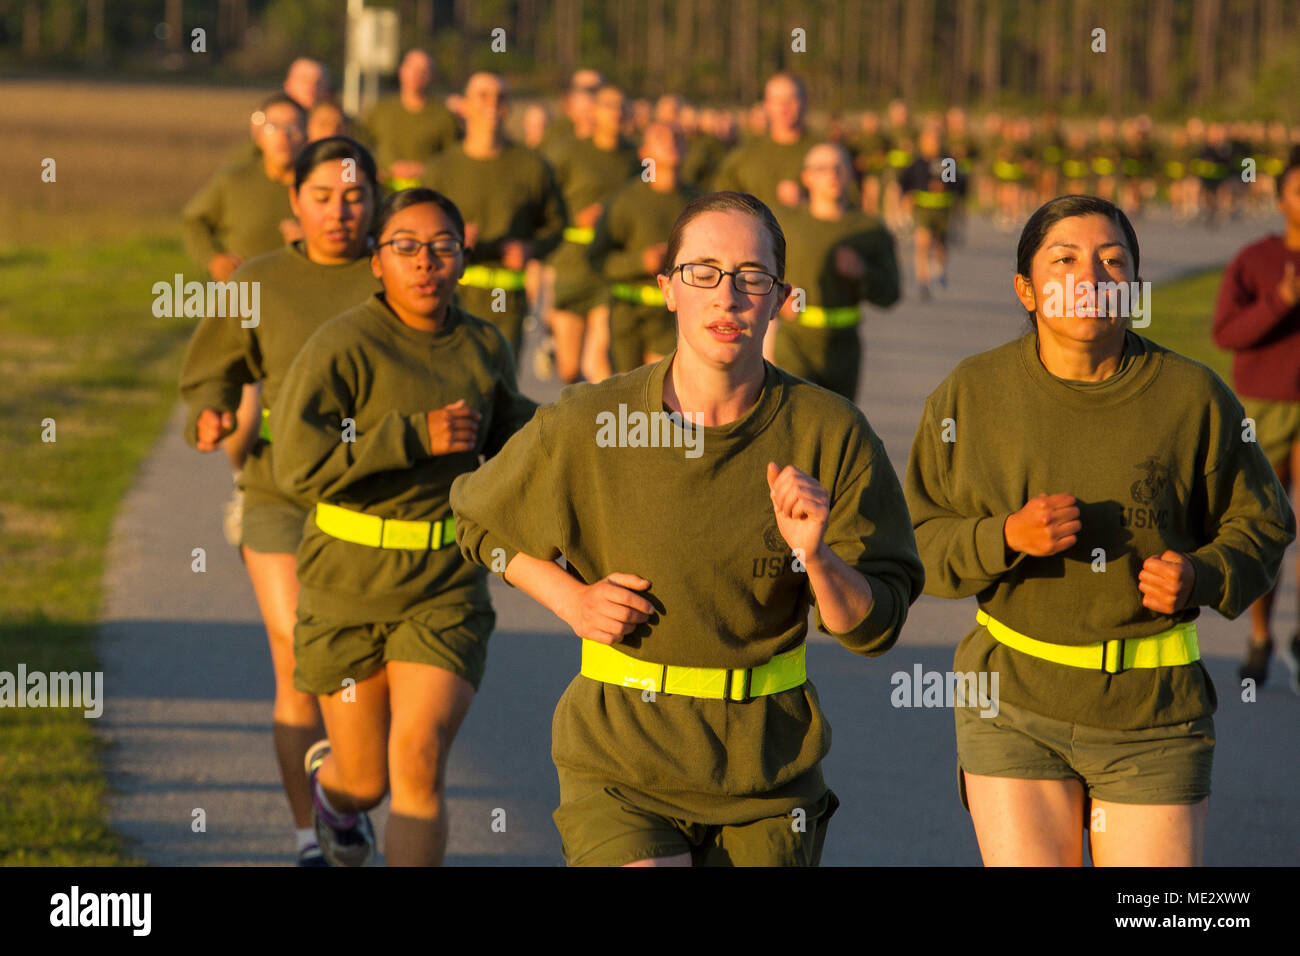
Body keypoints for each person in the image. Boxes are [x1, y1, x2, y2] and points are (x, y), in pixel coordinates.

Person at [450, 191, 925, 867]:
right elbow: (475, 517)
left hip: (768, 770)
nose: (726, 296)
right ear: (667, 289)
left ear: (779, 297)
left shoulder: (831, 431)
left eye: (750, 277)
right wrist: (570, 599)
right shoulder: (592, 420)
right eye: (702, 272)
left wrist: (817, 557)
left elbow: (876, 628)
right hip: (621, 759)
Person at [905, 194, 1295, 866]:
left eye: (1113, 262)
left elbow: (1262, 521)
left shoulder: (1191, 395)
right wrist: (1002, 538)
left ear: (1134, 288)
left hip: (1154, 715)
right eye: (1064, 260)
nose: (1090, 278)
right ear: (1026, 289)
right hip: (1012, 700)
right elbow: (912, 537)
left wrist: (1202, 574)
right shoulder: (971, 393)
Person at [269, 188, 537, 867]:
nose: (426, 263)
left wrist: (595, 432)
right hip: (347, 584)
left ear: (463, 260)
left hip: (444, 588)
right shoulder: (343, 345)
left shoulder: (483, 346)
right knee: (367, 780)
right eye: (406, 247)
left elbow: (514, 441)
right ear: (376, 262)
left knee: (417, 761)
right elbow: (297, 467)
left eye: (443, 247)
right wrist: (414, 436)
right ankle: (334, 796)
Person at [179, 137, 382, 865]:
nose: (339, 212)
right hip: (278, 490)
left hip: (372, 498)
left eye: (354, 196)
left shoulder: (393, 276)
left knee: (355, 671)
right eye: (322, 197)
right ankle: (310, 836)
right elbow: (212, 370)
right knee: (302, 650)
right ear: (292, 202)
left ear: (376, 201)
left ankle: (343, 793)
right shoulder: (257, 279)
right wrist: (208, 410)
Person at [182, 93, 307, 543]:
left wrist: (306, 235)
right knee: (247, 404)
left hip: (301, 312)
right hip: (245, 308)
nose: (285, 137)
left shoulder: (316, 186)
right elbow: (194, 220)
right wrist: (214, 259)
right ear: (258, 132)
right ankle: (245, 486)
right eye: (275, 126)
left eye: (295, 127)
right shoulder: (235, 181)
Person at [1212, 154, 1300, 693]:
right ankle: (1262, 634)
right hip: (1268, 404)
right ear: (1282, 200)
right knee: (1272, 525)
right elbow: (1226, 333)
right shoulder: (1257, 259)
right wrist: (1281, 301)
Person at [422, 72, 566, 364]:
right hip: (452, 297)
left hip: (507, 303)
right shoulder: (440, 169)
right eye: (483, 95)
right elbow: (418, 230)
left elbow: (557, 225)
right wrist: (452, 241)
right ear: (464, 105)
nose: (493, 103)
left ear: (509, 107)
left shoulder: (532, 166)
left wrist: (531, 248)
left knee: (500, 395)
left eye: (501, 97)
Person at [768, 143, 899, 401]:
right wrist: (775, 299)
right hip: (795, 343)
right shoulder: (785, 224)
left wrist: (863, 272)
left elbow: (891, 294)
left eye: (839, 167)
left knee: (836, 429)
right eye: (822, 168)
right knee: (793, 422)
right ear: (807, 177)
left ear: (850, 173)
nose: (832, 175)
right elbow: (753, 272)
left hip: (844, 347)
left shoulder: (869, 229)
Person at [544, 82, 638, 384]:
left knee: (600, 359)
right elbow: (544, 203)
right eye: (610, 105)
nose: (618, 112)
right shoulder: (570, 153)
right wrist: (575, 218)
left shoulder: (635, 158)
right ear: (595, 112)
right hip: (572, 264)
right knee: (569, 369)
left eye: (623, 105)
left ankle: (598, 427)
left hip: (609, 268)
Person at [588, 122, 699, 376]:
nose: (671, 141)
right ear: (644, 153)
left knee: (663, 397)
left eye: (677, 135)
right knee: (629, 399)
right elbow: (596, 260)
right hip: (628, 317)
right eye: (661, 137)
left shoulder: (699, 203)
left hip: (674, 317)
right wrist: (640, 262)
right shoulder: (624, 201)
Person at [711, 73, 816, 222]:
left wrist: (808, 202)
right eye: (777, 100)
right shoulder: (746, 152)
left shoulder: (825, 151)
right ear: (766, 104)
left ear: (805, 102)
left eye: (791, 99)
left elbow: (850, 204)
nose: (783, 107)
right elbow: (720, 197)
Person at [363, 49, 459, 190]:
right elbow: (362, 146)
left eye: (424, 70)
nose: (417, 75)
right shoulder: (379, 110)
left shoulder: (444, 117)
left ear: (433, 76)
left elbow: (452, 158)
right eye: (412, 68)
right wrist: (376, 169)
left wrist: (423, 169)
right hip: (384, 193)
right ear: (401, 71)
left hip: (426, 193)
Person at [898, 127, 958, 300]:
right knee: (922, 243)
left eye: (936, 141)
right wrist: (906, 198)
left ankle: (939, 269)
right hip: (923, 209)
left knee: (939, 244)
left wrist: (944, 187)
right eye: (929, 141)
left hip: (942, 210)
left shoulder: (947, 161)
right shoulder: (916, 163)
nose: (932, 145)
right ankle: (923, 282)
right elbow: (905, 183)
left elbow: (955, 184)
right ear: (922, 143)